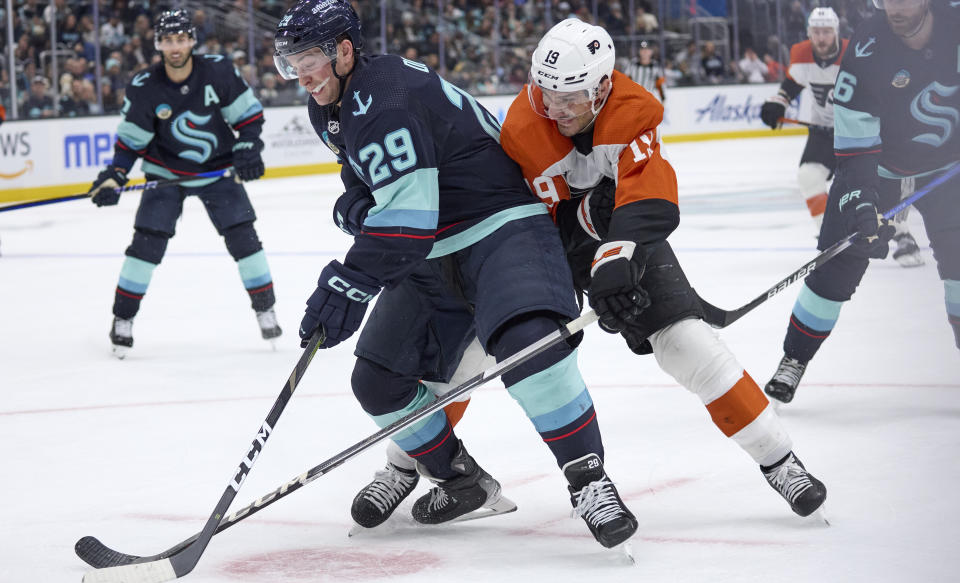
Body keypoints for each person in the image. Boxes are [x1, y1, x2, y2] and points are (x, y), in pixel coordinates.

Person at [352, 19, 829, 526]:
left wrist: (616, 259)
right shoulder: (521, 126)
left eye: (569, 97)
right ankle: (407, 462)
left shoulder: (633, 109)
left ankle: (779, 459)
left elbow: (647, 196)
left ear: (602, 86)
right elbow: (503, 201)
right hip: (525, 239)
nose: (554, 109)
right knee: (466, 357)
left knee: (687, 342)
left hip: (610, 231)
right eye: (546, 93)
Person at [274, 0, 637, 550]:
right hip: (434, 250)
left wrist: (348, 282)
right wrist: (354, 206)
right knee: (377, 380)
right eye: (290, 63)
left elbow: (407, 220)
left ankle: (589, 480)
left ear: (344, 51)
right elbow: (369, 184)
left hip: (501, 226)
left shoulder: (385, 98)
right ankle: (459, 479)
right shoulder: (330, 106)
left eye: (310, 61)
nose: (301, 75)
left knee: (529, 345)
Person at [764, 0, 960, 404]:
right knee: (836, 266)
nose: (894, 7)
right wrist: (860, 199)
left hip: (947, 170)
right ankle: (793, 360)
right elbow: (854, 144)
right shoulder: (869, 45)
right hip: (880, 167)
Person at [89, 9, 282, 358]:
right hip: (166, 177)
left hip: (217, 172)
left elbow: (250, 118)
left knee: (245, 240)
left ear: (192, 40)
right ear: (158, 43)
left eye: (181, 39)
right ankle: (122, 319)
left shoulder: (219, 71)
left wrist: (248, 148)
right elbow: (130, 142)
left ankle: (265, 309)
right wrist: (115, 175)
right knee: (145, 246)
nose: (175, 46)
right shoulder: (145, 86)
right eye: (168, 40)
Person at [760, 7, 924, 267]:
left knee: (875, 184)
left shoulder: (855, 51)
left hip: (857, 131)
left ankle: (902, 235)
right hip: (823, 131)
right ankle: (837, 240)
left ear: (836, 32)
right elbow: (790, 85)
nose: (821, 37)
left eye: (826, 31)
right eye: (816, 32)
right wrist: (778, 103)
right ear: (808, 33)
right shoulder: (801, 54)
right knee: (808, 177)